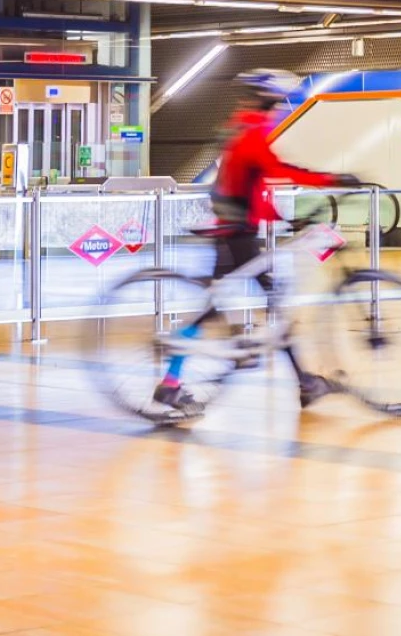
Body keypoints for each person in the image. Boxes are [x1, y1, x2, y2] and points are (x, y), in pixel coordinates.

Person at [153, 68, 360, 416]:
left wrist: (283, 218)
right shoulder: (254, 133)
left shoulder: (241, 126)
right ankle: (173, 384)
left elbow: (251, 183)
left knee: (256, 307)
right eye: (281, 102)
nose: (282, 108)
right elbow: (279, 171)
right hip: (238, 235)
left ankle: (304, 383)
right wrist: (332, 179)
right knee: (258, 308)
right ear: (270, 100)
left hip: (233, 229)